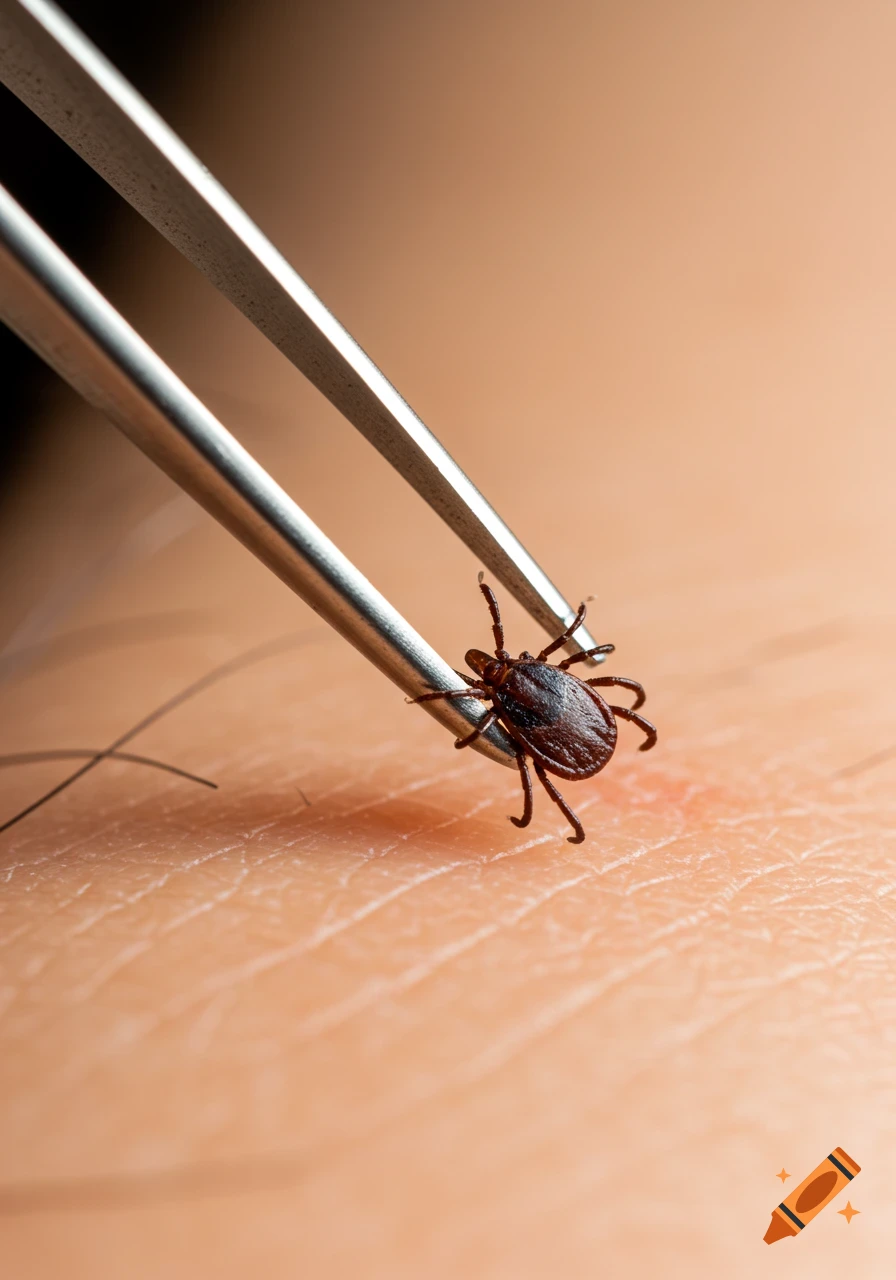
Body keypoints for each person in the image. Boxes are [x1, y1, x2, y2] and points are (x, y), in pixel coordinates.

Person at [0, 2, 891, 1274]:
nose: (496, 669)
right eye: (508, 669)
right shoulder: (552, 696)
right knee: (577, 729)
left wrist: (537, 711)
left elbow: (538, 719)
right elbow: (571, 714)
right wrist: (560, 714)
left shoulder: (527, 698)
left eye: (506, 666)